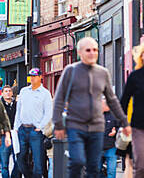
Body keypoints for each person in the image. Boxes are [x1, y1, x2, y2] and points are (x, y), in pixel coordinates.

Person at [53, 37, 130, 177]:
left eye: (95, 50)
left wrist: (124, 122)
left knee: (93, 167)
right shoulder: (70, 71)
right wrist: (58, 124)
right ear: (80, 52)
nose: (92, 53)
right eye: (88, 50)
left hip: (96, 127)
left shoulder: (102, 73)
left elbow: (112, 100)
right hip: (75, 125)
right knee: (77, 161)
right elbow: (59, 99)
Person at [14, 68, 53, 178]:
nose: (32, 78)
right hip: (22, 129)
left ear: (40, 77)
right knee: (20, 158)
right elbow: (19, 110)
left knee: (38, 161)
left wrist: (40, 127)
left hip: (35, 131)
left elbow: (48, 113)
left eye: (35, 76)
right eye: (30, 76)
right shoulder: (23, 91)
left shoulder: (45, 93)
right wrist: (16, 127)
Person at [121, 43, 144, 178]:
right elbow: (124, 101)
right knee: (141, 165)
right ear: (141, 56)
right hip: (138, 127)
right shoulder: (135, 77)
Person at [0, 85, 19, 178]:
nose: (8, 93)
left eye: (9, 91)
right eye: (6, 91)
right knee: (4, 164)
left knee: (18, 161)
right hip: (3, 136)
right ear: (2, 93)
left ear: (12, 93)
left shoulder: (17, 104)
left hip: (15, 135)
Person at [101, 96, 120, 178]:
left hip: (111, 147)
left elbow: (120, 128)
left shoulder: (115, 115)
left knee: (111, 171)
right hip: (97, 147)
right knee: (96, 169)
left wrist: (115, 132)